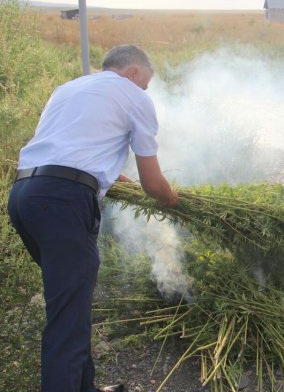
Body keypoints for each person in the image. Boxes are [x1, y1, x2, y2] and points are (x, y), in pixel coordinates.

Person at [7, 44, 178, 392]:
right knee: (67, 318)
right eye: (144, 83)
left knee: (71, 303)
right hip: (63, 203)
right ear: (133, 73)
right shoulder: (134, 96)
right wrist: (173, 201)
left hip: (25, 195)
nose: (144, 90)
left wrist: (121, 184)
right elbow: (153, 181)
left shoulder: (68, 89)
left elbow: (74, 153)